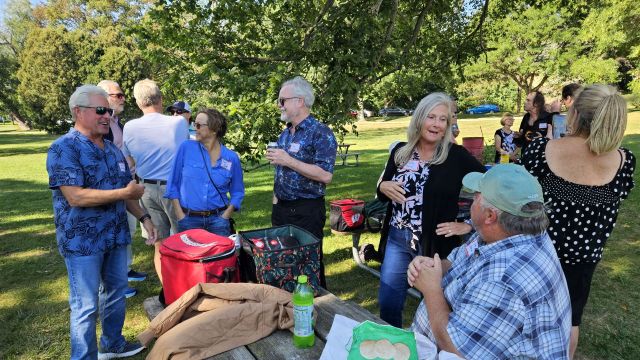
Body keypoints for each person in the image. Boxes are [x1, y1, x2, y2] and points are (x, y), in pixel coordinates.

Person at [408, 164, 571, 359]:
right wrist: (433, 268)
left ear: (490, 216)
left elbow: (456, 348)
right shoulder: (517, 231)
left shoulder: (504, 279)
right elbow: (459, 260)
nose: (472, 200)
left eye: (476, 195)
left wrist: (431, 289)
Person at [522, 84, 635, 359]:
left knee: (527, 318)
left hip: (538, 254)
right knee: (571, 320)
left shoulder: (542, 150)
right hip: (584, 259)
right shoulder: (623, 161)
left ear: (574, 113)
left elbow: (522, 199)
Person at [46, 85, 158, 359]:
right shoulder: (63, 148)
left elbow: (126, 192)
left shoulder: (112, 149)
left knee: (116, 293)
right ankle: (84, 356)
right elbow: (75, 196)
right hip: (83, 241)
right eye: (100, 110)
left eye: (108, 110)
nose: (107, 115)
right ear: (77, 112)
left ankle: (113, 343)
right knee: (85, 305)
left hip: (116, 236)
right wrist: (125, 193)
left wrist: (143, 216)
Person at [376, 92, 485, 327]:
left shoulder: (456, 156)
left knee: (439, 305)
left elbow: (492, 184)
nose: (436, 124)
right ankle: (393, 345)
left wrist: (469, 223)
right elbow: (384, 189)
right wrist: (382, 185)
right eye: (431, 117)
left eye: (443, 119)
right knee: (388, 302)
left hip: (435, 242)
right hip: (398, 239)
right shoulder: (401, 152)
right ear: (419, 119)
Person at [266, 76, 337, 289]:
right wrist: (276, 201)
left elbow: (326, 175)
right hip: (282, 210)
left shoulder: (320, 132)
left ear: (300, 101)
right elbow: (281, 171)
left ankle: (318, 309)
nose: (279, 105)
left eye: (282, 100)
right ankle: (288, 307)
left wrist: (289, 160)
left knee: (308, 264)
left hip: (306, 211)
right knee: (282, 264)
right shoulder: (286, 134)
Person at [122, 79, 189, 284]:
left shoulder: (130, 126)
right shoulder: (178, 122)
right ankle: (187, 286)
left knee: (159, 242)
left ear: (138, 103)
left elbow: (129, 160)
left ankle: (168, 287)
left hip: (146, 189)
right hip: (174, 189)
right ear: (160, 98)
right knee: (184, 240)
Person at [98, 79, 147, 299]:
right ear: (104, 97)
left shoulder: (116, 122)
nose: (123, 98)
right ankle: (113, 283)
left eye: (122, 95)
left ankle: (124, 272)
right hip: (111, 191)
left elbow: (121, 149)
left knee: (128, 230)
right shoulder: (102, 126)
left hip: (126, 184)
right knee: (113, 235)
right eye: (117, 95)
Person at [166, 108, 245, 235]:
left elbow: (237, 192)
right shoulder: (185, 148)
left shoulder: (231, 158)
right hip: (189, 221)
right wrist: (180, 215)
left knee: (220, 255)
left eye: (198, 125)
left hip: (218, 221)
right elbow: (172, 185)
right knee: (192, 255)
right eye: (194, 124)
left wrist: (225, 216)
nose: (194, 128)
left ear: (214, 130)